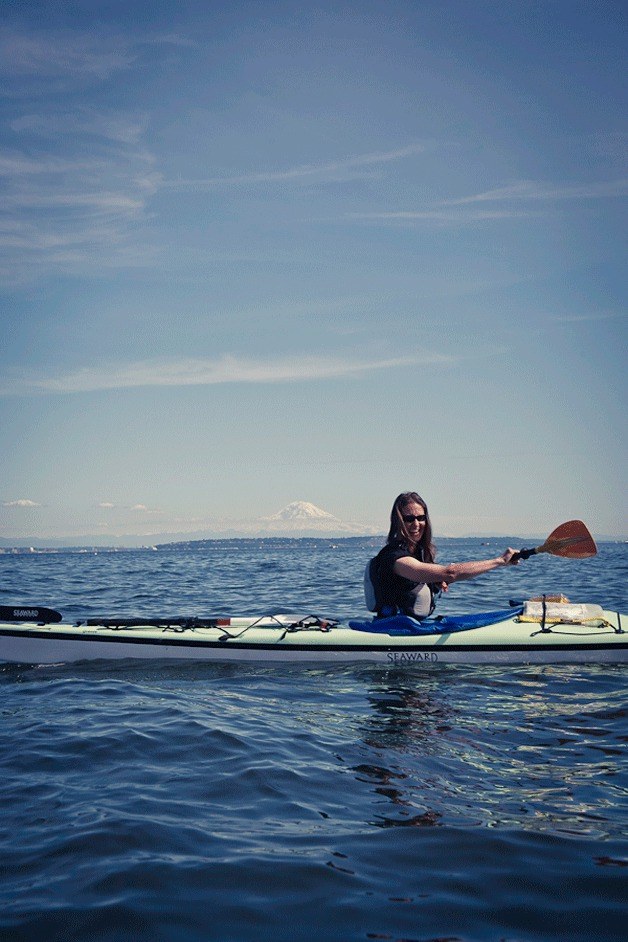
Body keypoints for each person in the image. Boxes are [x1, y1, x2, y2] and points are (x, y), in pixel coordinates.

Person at [366, 492, 519, 619]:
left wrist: (435, 581)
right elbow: (451, 573)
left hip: (409, 627)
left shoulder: (416, 554)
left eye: (421, 518)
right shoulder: (395, 558)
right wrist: (500, 561)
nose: (416, 524)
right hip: (394, 630)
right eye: (409, 519)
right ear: (398, 521)